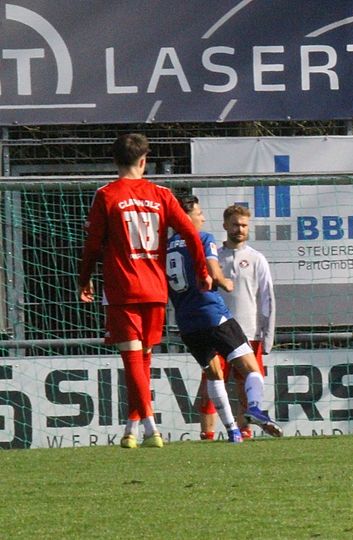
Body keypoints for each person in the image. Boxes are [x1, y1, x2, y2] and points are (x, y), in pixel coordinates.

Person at [78, 133, 211, 450]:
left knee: (132, 360)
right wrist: (203, 271)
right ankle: (131, 429)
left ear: (115, 161)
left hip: (123, 287)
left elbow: (92, 244)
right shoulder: (161, 194)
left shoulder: (106, 195)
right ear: (143, 160)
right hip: (155, 288)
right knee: (144, 359)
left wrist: (84, 279)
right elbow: (191, 233)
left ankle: (151, 428)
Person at [167, 194, 283, 442]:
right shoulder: (203, 238)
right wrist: (223, 281)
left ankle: (233, 431)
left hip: (187, 323)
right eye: (199, 213)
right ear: (186, 217)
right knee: (252, 370)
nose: (202, 218)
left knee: (213, 375)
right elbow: (212, 270)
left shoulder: (164, 247)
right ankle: (254, 409)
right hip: (213, 315)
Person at [198, 204, 276, 440]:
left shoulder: (257, 259)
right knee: (211, 384)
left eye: (243, 225)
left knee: (246, 386)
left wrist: (267, 336)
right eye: (235, 225)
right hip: (217, 331)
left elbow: (267, 299)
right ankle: (207, 434)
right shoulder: (213, 257)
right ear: (225, 226)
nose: (239, 229)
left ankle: (245, 431)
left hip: (249, 333)